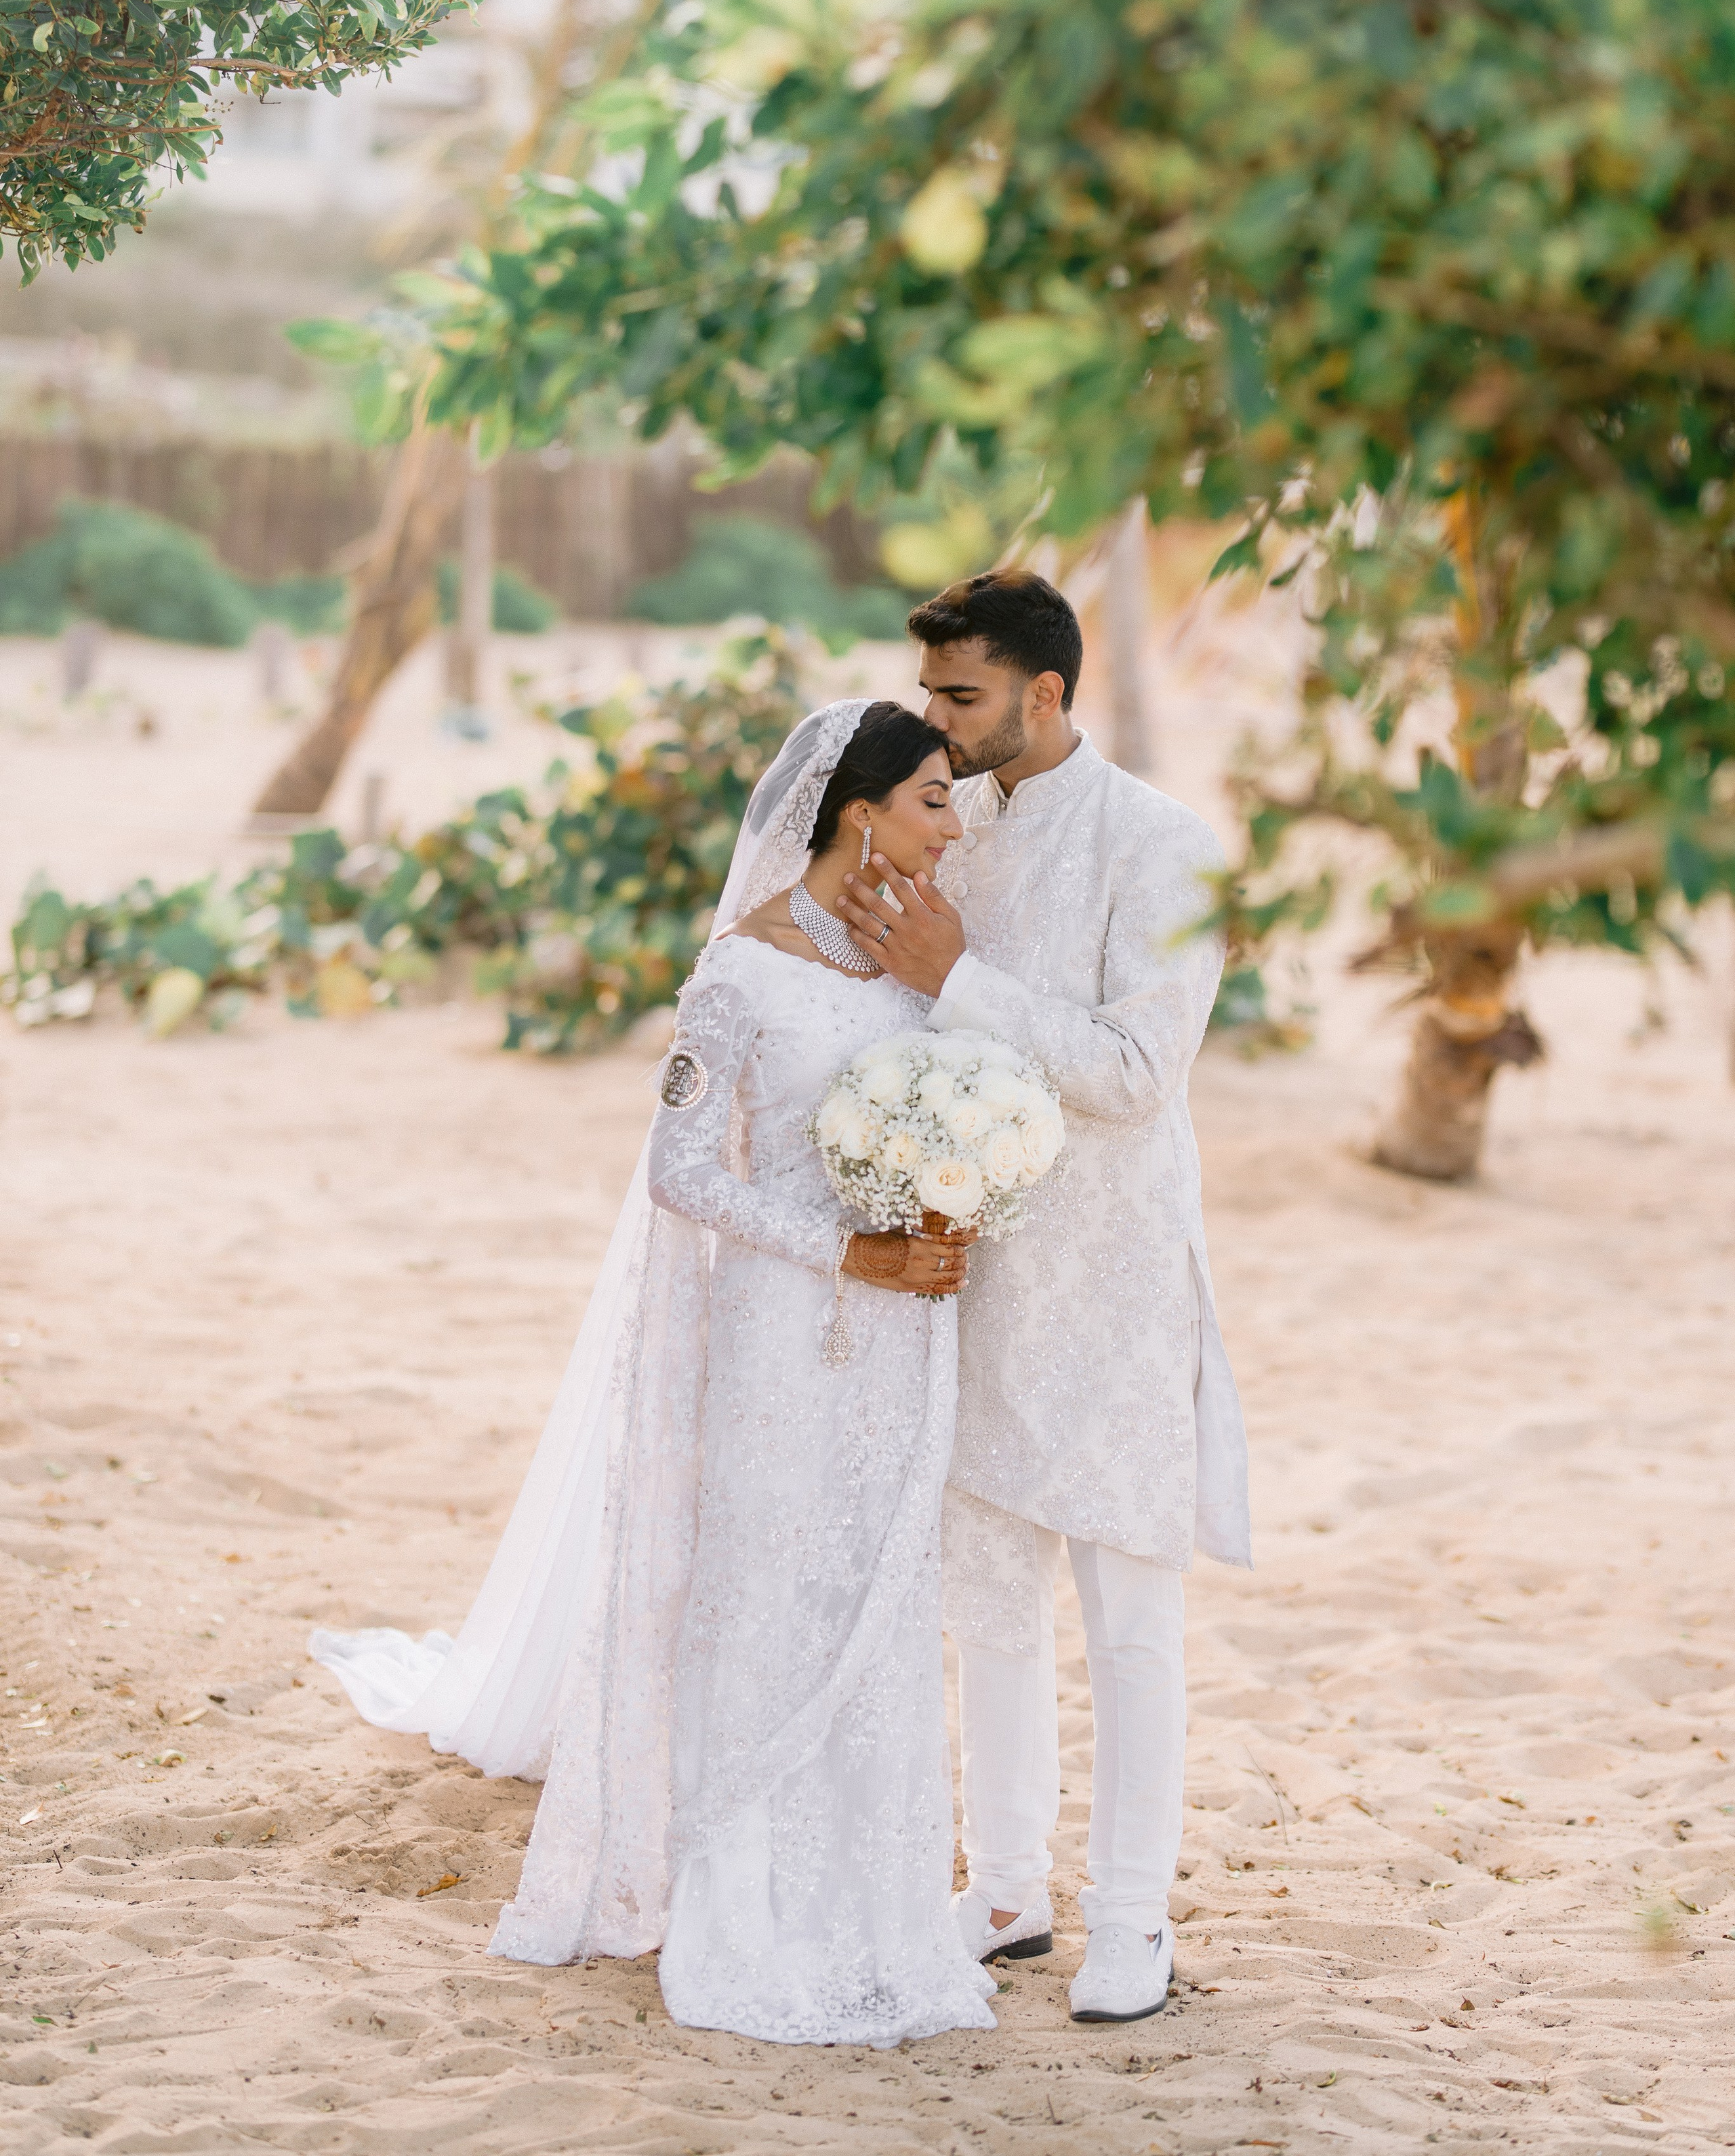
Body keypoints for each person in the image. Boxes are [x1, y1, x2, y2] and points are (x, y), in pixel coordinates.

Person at [311, 699, 996, 2049]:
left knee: (875, 1592)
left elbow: (954, 1110)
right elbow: (678, 1170)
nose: (949, 824)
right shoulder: (736, 973)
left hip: (904, 1336)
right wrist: (840, 1249)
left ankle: (878, 1903)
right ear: (859, 809)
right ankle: (740, 1902)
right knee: (759, 1598)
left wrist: (948, 1204)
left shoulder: (923, 962)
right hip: (775, 1335)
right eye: (930, 798)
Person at [834, 569, 1250, 2026]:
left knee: (1128, 1612)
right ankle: (1005, 1887)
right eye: (932, 694)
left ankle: (1131, 1917)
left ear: (1047, 693)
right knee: (988, 1602)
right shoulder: (949, 833)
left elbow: (1138, 1076)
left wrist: (956, 981)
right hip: (974, 1275)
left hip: (1118, 1281)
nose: (931, 728)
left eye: (959, 697)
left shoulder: (1163, 845)